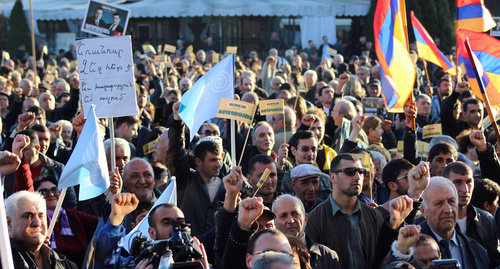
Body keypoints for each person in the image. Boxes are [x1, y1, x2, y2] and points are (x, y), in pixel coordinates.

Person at [306, 153, 413, 269]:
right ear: (332, 177)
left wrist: (396, 226)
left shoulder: (374, 215)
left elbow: (385, 259)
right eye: (350, 171)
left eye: (361, 172)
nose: (357, 177)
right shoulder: (315, 219)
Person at [419, 176, 489, 268]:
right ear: (423, 211)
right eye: (439, 203)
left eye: (452, 201)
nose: (448, 210)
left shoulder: (477, 251)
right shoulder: (411, 248)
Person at [441, 162, 500, 267]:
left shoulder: (487, 220)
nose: (465, 190)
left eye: (469, 182)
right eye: (458, 182)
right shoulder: (430, 220)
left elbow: (495, 260)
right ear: (445, 184)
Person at [5, 191, 77, 268]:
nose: (37, 223)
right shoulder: (4, 261)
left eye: (41, 216)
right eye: (28, 216)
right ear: (8, 223)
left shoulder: (67, 265)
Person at [272, 194, 341, 268]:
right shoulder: (269, 257)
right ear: (274, 223)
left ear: (306, 219)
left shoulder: (327, 256)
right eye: (283, 216)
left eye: (295, 214)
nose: (291, 221)